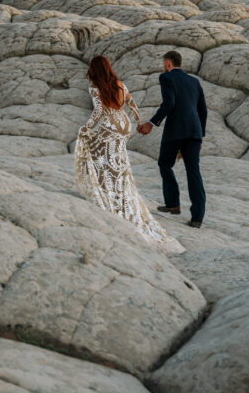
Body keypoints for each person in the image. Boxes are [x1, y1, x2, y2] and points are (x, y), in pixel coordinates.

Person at [75, 55, 184, 254]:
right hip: (124, 124)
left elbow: (99, 111)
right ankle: (119, 193)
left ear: (94, 69)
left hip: (109, 124)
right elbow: (132, 104)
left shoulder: (95, 86)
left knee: (99, 156)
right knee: (118, 161)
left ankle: (107, 195)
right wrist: (138, 121)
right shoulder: (119, 84)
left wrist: (86, 126)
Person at [136, 50, 208, 228]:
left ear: (168, 64)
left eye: (163, 63)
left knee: (165, 164)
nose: (163, 66)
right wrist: (200, 136)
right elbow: (203, 110)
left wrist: (151, 123)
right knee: (194, 172)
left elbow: (170, 103)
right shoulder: (194, 81)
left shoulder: (166, 77)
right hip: (194, 132)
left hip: (176, 131)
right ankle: (197, 218)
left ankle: (173, 204)